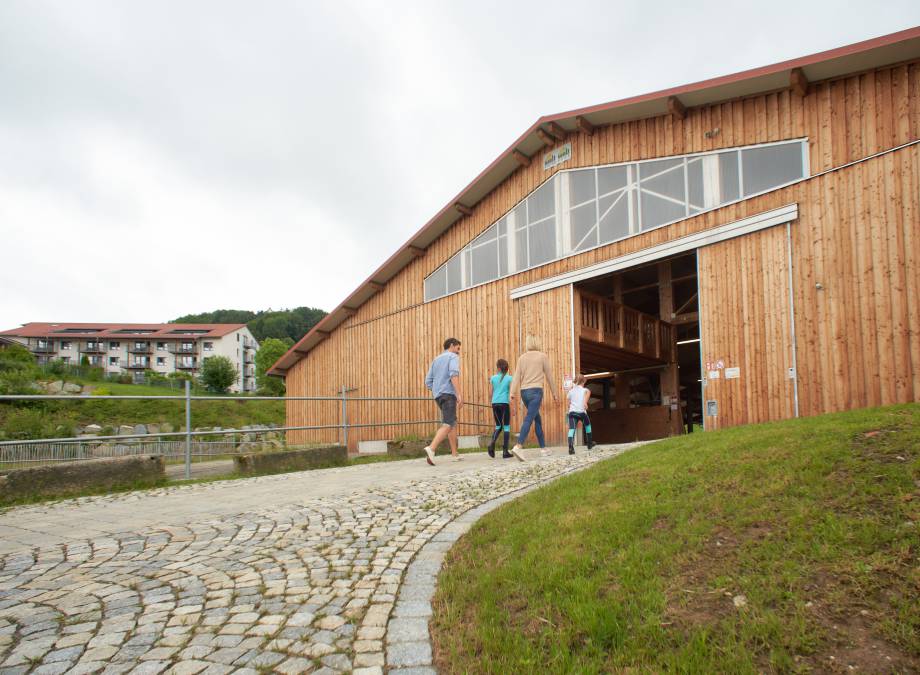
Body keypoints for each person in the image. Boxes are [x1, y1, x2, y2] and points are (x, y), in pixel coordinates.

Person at [509, 335, 558, 461]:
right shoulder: (542, 356)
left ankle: (543, 448)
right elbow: (549, 377)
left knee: (537, 419)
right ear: (538, 342)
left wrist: (512, 393)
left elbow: (516, 376)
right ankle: (518, 446)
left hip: (524, 392)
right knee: (529, 418)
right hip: (536, 391)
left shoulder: (522, 358)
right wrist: (555, 394)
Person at [423, 337, 463, 465]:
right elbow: (453, 374)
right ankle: (432, 448)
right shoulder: (452, 357)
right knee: (448, 424)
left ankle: (454, 454)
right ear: (452, 345)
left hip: (438, 396)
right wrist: (458, 394)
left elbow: (428, 381)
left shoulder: (436, 359)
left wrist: (436, 389)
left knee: (452, 422)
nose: (458, 351)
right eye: (458, 348)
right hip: (448, 394)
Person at [487, 359, 513, 459]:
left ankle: (491, 443)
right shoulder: (510, 378)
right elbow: (511, 394)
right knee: (506, 427)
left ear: (498, 368)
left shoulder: (493, 378)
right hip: (504, 404)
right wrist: (513, 407)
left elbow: (490, 393)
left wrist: (492, 402)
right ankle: (505, 451)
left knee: (498, 426)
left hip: (495, 403)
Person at [566, 374, 596, 454]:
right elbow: (588, 392)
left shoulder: (571, 391)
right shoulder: (584, 390)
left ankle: (570, 448)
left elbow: (568, 404)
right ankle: (589, 444)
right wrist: (585, 402)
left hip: (572, 413)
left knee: (571, 429)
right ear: (583, 382)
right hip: (582, 412)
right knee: (588, 426)